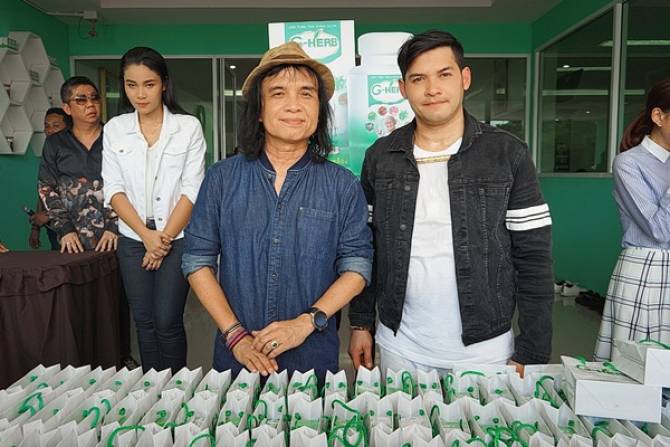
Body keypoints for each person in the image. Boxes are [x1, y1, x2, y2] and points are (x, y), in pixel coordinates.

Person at [348, 30, 554, 375]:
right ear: (403, 88)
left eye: (444, 74)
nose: (432, 89)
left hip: (485, 349)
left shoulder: (507, 154)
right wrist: (360, 323)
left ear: (465, 78)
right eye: (418, 79)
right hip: (400, 344)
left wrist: (532, 350)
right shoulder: (381, 156)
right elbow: (366, 247)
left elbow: (534, 258)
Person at [182, 42, 373, 379]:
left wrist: (305, 323)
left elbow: (357, 267)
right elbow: (197, 260)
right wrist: (235, 335)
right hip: (238, 356)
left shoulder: (342, 185)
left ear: (319, 110)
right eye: (279, 93)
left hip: (312, 356)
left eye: (306, 94)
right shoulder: (222, 179)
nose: (294, 105)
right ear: (259, 110)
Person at [102, 47, 206, 373]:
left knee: (167, 320)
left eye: (149, 84)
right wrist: (146, 236)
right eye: (131, 85)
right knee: (144, 322)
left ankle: (177, 390)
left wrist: (162, 240)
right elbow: (113, 189)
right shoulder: (115, 128)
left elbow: (192, 190)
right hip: (134, 239)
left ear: (164, 84)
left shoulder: (187, 127)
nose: (140, 94)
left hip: (177, 238)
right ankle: (152, 389)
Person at [594, 77, 670, 361]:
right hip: (647, 271)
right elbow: (659, 229)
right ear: (658, 116)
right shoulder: (628, 163)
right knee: (638, 366)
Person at [38, 77, 118, 254]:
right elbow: (46, 187)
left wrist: (115, 226)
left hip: (115, 237)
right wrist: (65, 229)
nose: (90, 104)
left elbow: (134, 184)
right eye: (81, 100)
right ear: (67, 108)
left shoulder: (117, 138)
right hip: (72, 240)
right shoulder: (55, 143)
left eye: (94, 98)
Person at [30, 108, 71, 251]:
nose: (50, 130)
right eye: (46, 126)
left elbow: (79, 194)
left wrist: (49, 214)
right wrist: (36, 228)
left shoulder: (73, 155)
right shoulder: (49, 152)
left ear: (68, 127)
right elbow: (44, 191)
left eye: (56, 126)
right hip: (53, 226)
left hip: (75, 226)